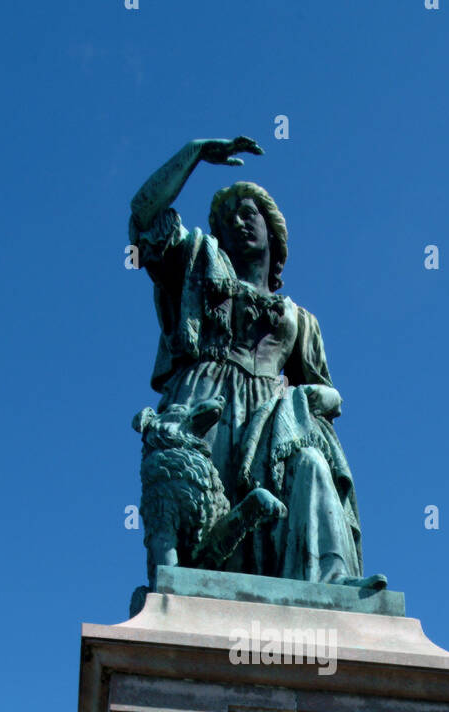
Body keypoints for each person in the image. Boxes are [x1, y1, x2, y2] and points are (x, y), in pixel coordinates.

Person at [129, 137, 385, 588]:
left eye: (249, 214)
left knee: (313, 462)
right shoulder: (196, 262)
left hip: (274, 418)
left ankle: (330, 577)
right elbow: (144, 215)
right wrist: (194, 152)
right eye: (227, 219)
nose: (237, 222)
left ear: (272, 229)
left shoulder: (300, 319)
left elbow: (329, 395)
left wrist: (307, 398)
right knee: (197, 535)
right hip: (206, 407)